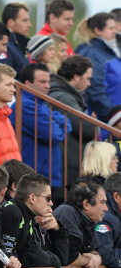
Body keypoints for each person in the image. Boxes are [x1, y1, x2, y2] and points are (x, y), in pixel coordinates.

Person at [10, 63, 70, 200]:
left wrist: (56, 123)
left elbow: (67, 123)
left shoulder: (40, 104)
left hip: (45, 175)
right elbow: (53, 133)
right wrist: (56, 123)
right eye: (42, 82)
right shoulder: (25, 105)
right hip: (36, 177)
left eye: (48, 82)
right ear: (27, 84)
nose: (48, 86)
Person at [48, 55, 95, 184]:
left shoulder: (63, 94)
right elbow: (87, 128)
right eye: (87, 79)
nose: (89, 83)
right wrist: (93, 124)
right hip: (67, 166)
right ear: (75, 77)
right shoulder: (63, 98)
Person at [76, 12, 120, 122]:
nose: (115, 31)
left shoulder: (112, 52)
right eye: (110, 28)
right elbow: (95, 89)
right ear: (97, 31)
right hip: (108, 121)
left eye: (115, 27)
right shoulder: (93, 54)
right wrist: (112, 118)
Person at [54, 179, 105, 268]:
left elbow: (94, 249)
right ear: (86, 204)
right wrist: (89, 261)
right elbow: (70, 256)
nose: (106, 208)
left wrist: (97, 258)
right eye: (102, 202)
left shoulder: (89, 219)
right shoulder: (66, 212)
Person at [1, 2, 32, 78]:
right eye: (24, 21)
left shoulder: (20, 46)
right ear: (10, 23)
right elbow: (5, 80)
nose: (29, 25)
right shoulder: (5, 47)